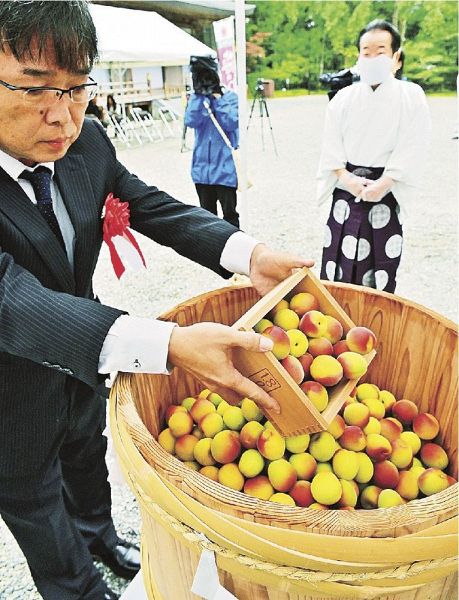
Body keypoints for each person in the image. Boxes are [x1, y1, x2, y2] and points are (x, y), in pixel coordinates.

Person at [0, 3, 312, 599]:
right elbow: (9, 300)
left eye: (76, 87)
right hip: (8, 394)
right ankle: (75, 586)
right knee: (37, 505)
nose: (62, 116)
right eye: (35, 88)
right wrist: (166, 345)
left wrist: (249, 254)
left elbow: (151, 206)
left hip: (84, 367)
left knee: (87, 460)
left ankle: (101, 537)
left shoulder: (86, 142)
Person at [317, 19, 431, 293]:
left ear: (396, 58)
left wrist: (386, 182)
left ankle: (374, 326)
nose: (372, 58)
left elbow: (414, 143)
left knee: (380, 267)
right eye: (365, 52)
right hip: (346, 191)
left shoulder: (411, 96)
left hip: (386, 191)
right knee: (337, 266)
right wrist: (346, 177)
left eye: (380, 51)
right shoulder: (343, 98)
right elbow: (330, 147)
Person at [184, 61, 240, 227]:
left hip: (225, 169)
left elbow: (231, 123)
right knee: (207, 218)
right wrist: (197, 95)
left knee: (230, 216)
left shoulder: (231, 98)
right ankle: (212, 251)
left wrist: (218, 99)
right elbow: (190, 121)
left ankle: (235, 249)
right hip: (202, 171)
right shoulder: (198, 100)